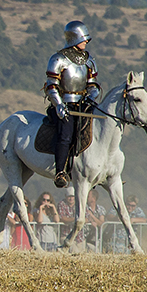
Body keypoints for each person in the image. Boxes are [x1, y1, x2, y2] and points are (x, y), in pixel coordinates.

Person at [43, 20, 100, 188]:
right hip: (64, 105)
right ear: (74, 38)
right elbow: (51, 85)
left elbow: (93, 85)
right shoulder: (58, 59)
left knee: (95, 133)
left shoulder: (89, 61)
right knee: (66, 135)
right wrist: (59, 104)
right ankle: (60, 171)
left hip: (83, 105)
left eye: (86, 39)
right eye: (83, 39)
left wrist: (91, 97)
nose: (86, 42)